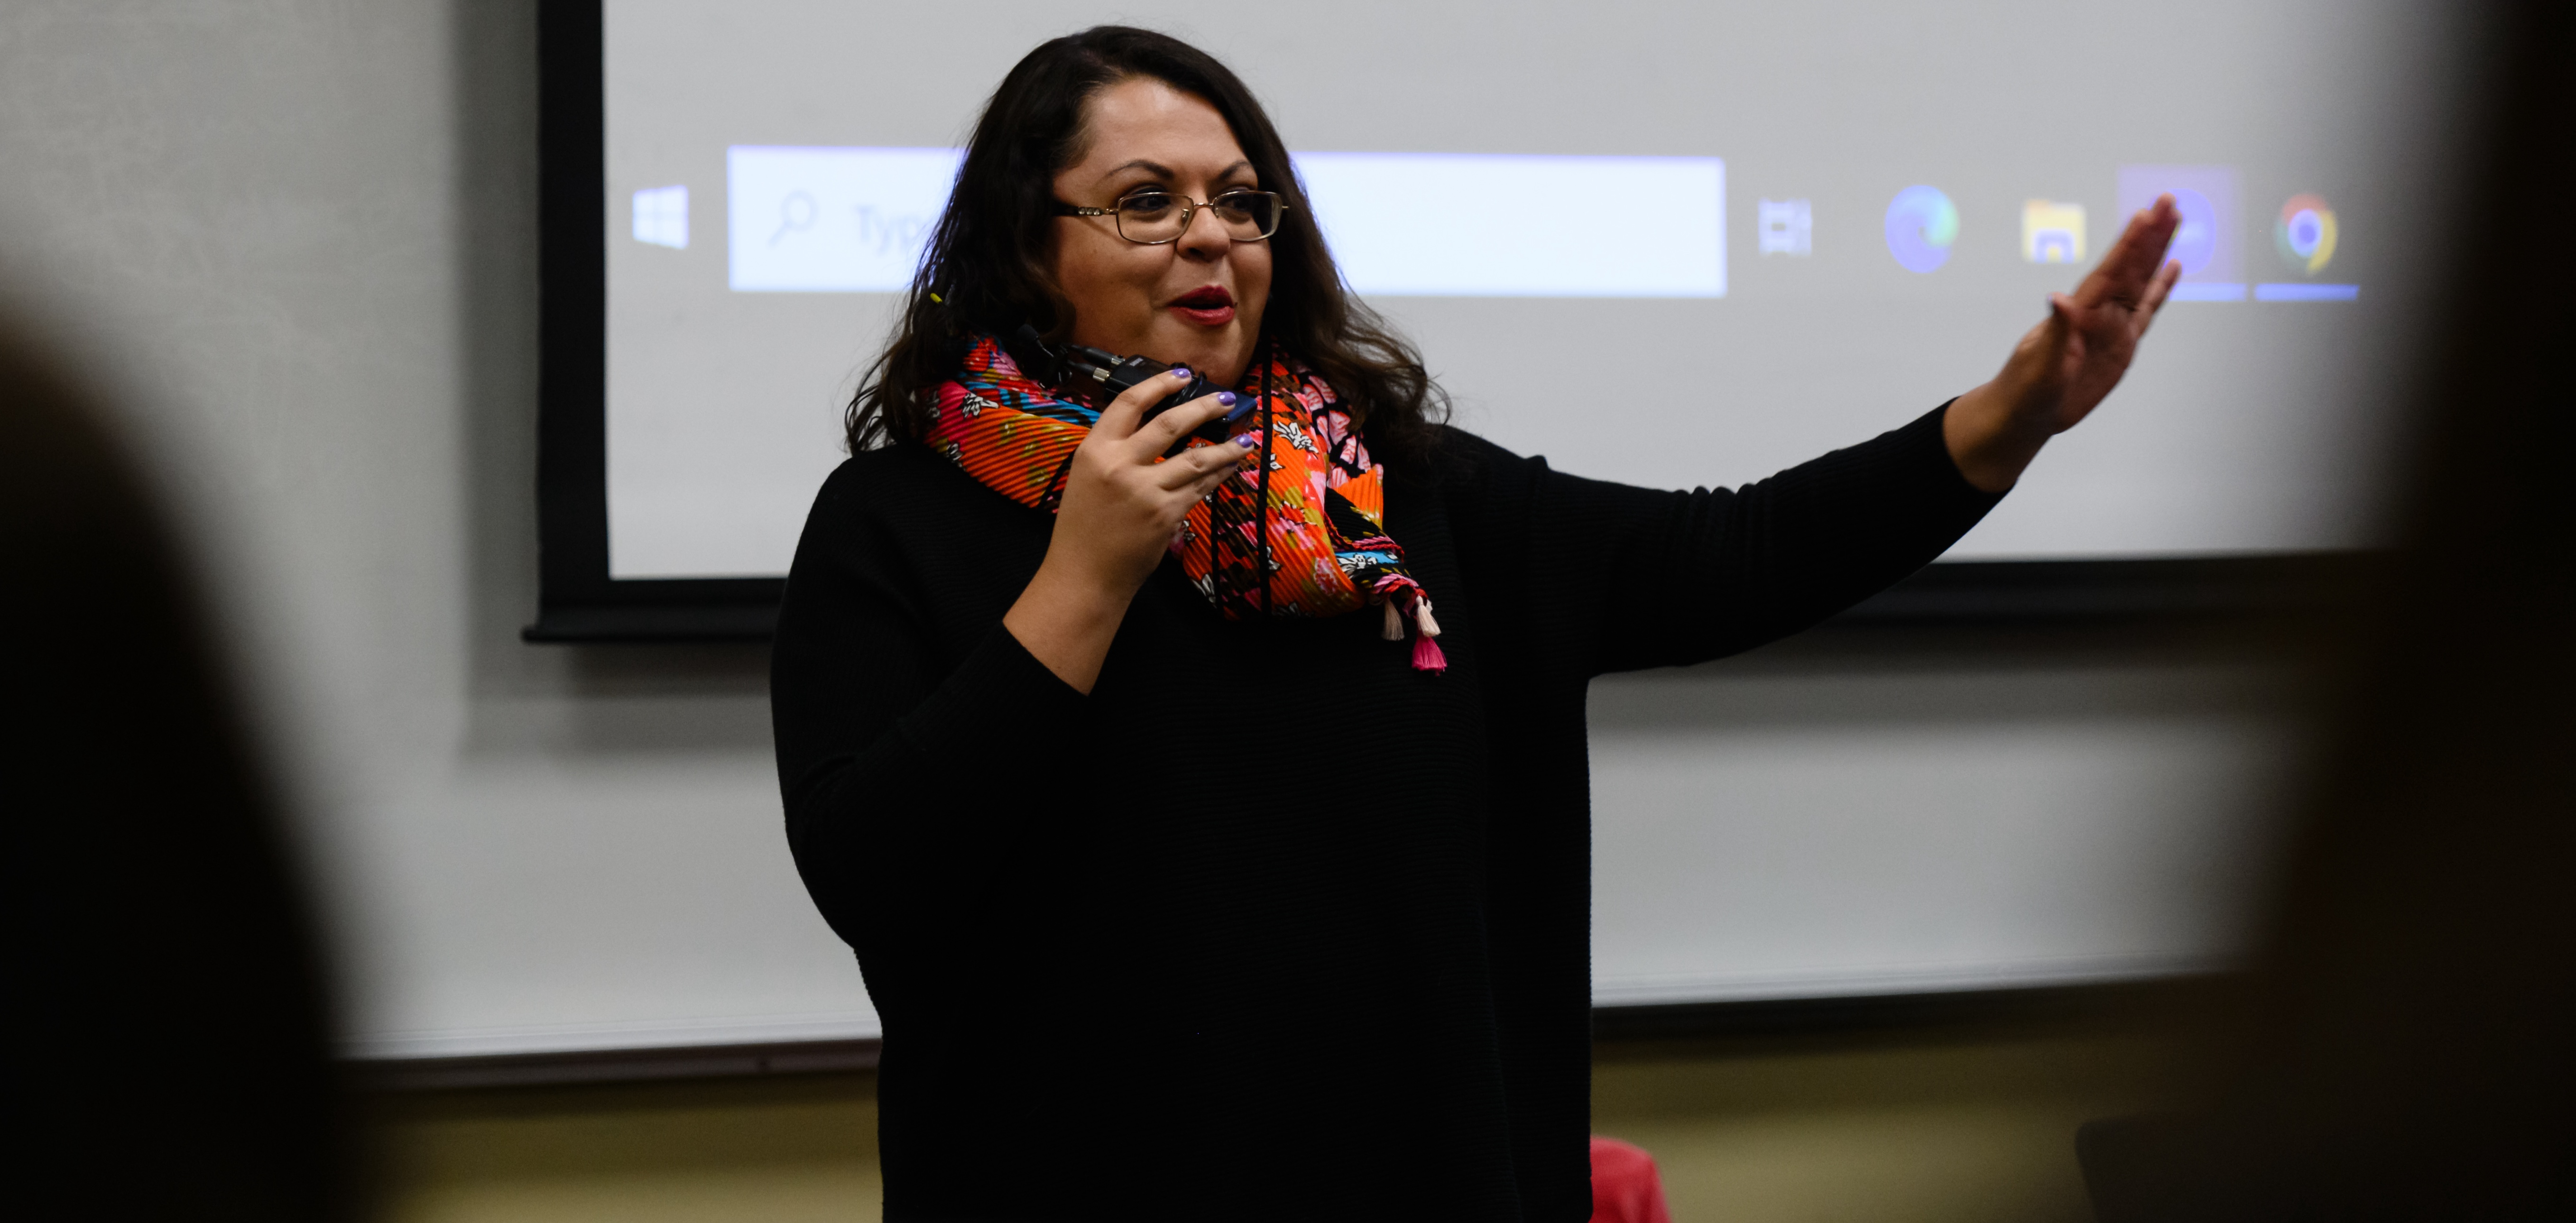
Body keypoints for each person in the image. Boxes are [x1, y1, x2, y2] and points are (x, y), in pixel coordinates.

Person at [770, 25, 2179, 1220]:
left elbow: (1732, 551)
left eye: (1243, 199)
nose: (1210, 234)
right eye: (1147, 200)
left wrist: (2004, 425)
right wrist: (1083, 578)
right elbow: (870, 870)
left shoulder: (1404, 501)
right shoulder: (902, 520)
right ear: (1028, 251)